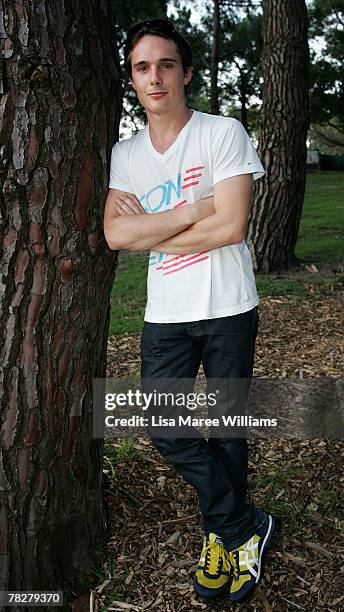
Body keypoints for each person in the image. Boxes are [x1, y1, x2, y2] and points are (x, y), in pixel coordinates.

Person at [103, 18, 279, 603]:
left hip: (228, 305)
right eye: (142, 67)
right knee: (164, 424)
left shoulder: (221, 132)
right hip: (166, 312)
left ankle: (226, 538)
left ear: (186, 71)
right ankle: (239, 523)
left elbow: (230, 225)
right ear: (132, 78)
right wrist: (189, 211)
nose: (155, 77)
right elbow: (113, 236)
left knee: (230, 429)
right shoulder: (125, 155)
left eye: (166, 64)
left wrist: (149, 232)